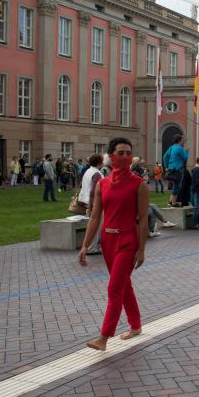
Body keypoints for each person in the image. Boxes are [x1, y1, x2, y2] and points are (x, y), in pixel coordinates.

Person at [79, 137, 148, 351]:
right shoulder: (102, 184)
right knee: (124, 285)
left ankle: (103, 337)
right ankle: (135, 325)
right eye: (121, 152)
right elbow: (94, 217)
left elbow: (143, 219)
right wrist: (85, 246)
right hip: (108, 241)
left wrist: (142, 250)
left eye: (129, 152)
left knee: (114, 287)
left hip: (127, 241)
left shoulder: (139, 184)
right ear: (111, 156)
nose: (126, 156)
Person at [79, 154, 105, 255]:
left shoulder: (88, 171)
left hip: (87, 200)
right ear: (99, 162)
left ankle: (93, 246)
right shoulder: (96, 173)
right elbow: (93, 191)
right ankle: (91, 247)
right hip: (94, 202)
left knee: (94, 224)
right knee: (97, 225)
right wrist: (91, 205)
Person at [163, 134, 189, 207]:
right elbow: (185, 158)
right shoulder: (180, 148)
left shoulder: (171, 147)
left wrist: (166, 167)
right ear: (179, 140)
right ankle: (174, 203)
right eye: (183, 140)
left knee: (175, 185)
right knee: (177, 186)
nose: (184, 142)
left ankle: (171, 202)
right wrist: (187, 151)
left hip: (171, 169)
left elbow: (165, 156)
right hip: (178, 169)